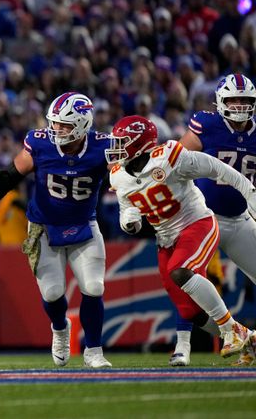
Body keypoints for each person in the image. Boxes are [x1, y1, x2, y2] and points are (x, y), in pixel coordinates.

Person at [0, 92, 112, 368]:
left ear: (82, 125)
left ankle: (93, 350)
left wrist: (121, 182)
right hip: (44, 226)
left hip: (84, 224)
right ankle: (60, 328)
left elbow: (123, 171)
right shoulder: (40, 144)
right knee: (53, 293)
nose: (56, 130)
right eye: (54, 123)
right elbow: (10, 174)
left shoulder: (103, 146)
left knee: (93, 286)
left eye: (64, 125)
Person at [106, 115, 254, 363]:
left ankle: (232, 330)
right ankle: (249, 339)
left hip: (197, 224)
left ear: (140, 144)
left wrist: (247, 190)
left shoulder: (171, 157)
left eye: (123, 142)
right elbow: (127, 206)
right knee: (190, 310)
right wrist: (129, 221)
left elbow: (215, 167)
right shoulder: (118, 175)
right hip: (166, 239)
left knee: (181, 271)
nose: (116, 148)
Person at [168, 74, 256, 366]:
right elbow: (176, 161)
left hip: (241, 217)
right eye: (234, 100)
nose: (241, 106)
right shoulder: (208, 124)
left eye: (246, 100)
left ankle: (248, 341)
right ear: (221, 102)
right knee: (187, 274)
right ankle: (182, 345)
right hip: (204, 217)